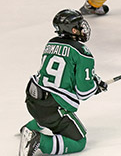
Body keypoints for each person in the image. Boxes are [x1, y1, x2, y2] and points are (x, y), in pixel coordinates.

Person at [18, 9, 108, 156]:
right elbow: (84, 92)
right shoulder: (83, 53)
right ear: (71, 29)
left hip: (33, 100)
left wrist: (94, 79)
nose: (82, 28)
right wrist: (94, 87)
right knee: (79, 142)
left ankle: (28, 128)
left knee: (48, 114)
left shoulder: (51, 43)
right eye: (79, 25)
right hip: (53, 108)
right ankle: (39, 140)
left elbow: (64, 73)